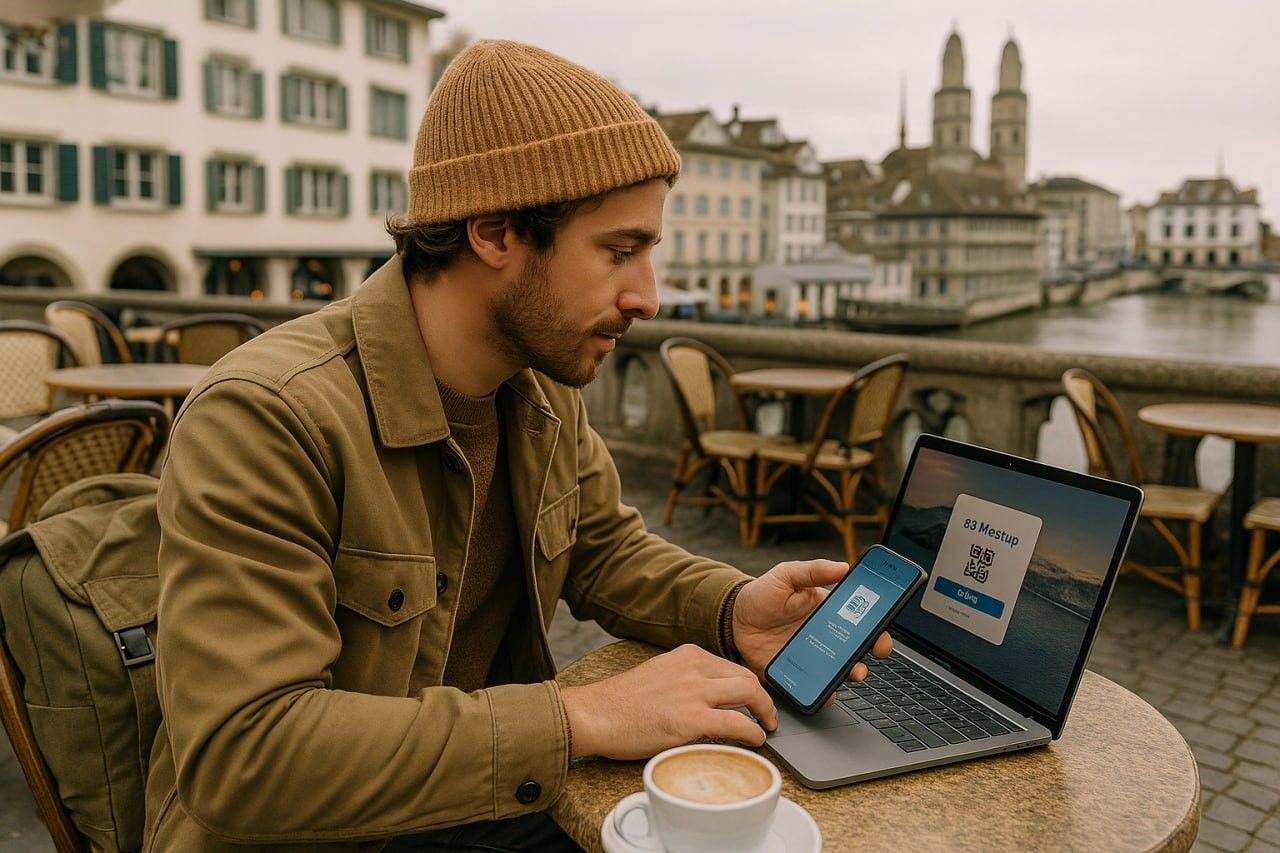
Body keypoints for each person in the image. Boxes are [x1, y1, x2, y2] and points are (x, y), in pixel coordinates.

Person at [144, 40, 890, 852]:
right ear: (496, 232)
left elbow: (605, 549)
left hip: (476, 803)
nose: (646, 296)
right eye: (619, 250)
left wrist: (729, 606)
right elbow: (243, 755)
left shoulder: (537, 390)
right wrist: (583, 716)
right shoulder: (266, 417)